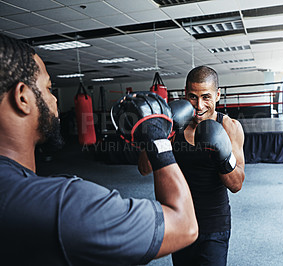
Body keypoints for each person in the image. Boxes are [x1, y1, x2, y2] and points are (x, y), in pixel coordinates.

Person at [0, 33, 198, 265]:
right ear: (22, 97)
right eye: (48, 88)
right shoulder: (63, 206)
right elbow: (184, 226)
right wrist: (158, 138)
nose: (54, 100)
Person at [139, 65, 245, 265]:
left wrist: (222, 155)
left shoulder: (230, 127)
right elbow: (144, 169)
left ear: (217, 95)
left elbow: (236, 184)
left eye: (206, 97)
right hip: (179, 218)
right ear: (185, 94)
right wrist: (157, 133)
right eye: (192, 97)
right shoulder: (172, 126)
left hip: (215, 223)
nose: (199, 105)